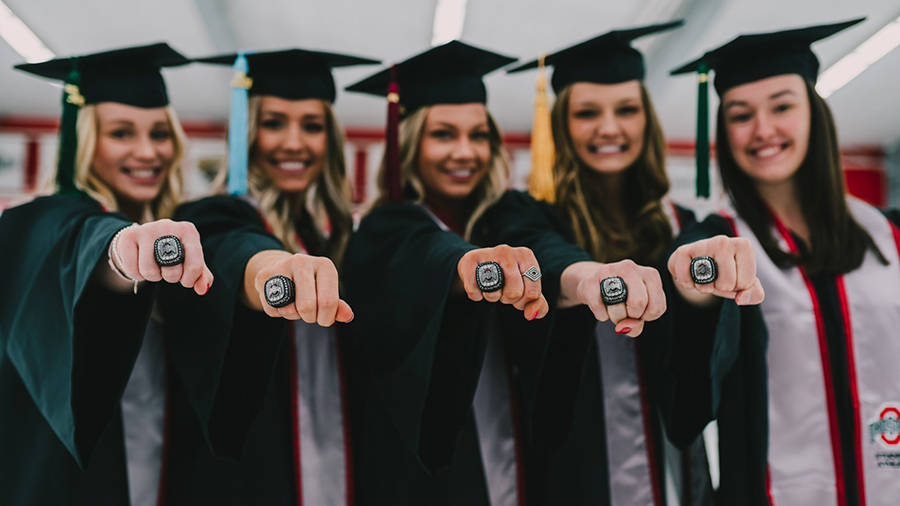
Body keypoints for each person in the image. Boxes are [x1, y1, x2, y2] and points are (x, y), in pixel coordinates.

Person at [344, 40, 668, 506]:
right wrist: (468, 266)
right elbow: (424, 253)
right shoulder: (389, 227)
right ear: (409, 142)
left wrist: (587, 277)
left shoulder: (504, 218)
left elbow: (547, 251)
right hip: (427, 475)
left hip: (522, 460)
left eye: (478, 135)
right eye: (443, 134)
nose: (465, 152)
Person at [507, 21, 766, 506]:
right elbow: (540, 255)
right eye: (587, 112)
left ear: (647, 120)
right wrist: (590, 280)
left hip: (677, 473)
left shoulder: (684, 224)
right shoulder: (525, 216)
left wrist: (695, 288)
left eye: (626, 109)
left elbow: (703, 369)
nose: (609, 128)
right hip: (569, 472)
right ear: (560, 123)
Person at [668, 17, 900, 506]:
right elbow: (687, 391)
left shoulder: (891, 234)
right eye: (739, 114)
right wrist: (694, 290)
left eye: (782, 106)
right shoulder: (717, 241)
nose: (763, 129)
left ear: (814, 113)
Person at [0, 43, 214, 506]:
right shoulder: (38, 225)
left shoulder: (187, 241)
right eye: (121, 133)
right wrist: (122, 251)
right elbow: (88, 244)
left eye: (159, 133)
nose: (147, 151)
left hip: (160, 472)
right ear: (84, 139)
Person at [163, 48, 378, 506]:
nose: (294, 142)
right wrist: (272, 271)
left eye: (312, 125)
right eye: (274, 122)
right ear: (244, 132)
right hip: (245, 474)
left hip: (335, 460)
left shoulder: (325, 236)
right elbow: (231, 247)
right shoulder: (210, 214)